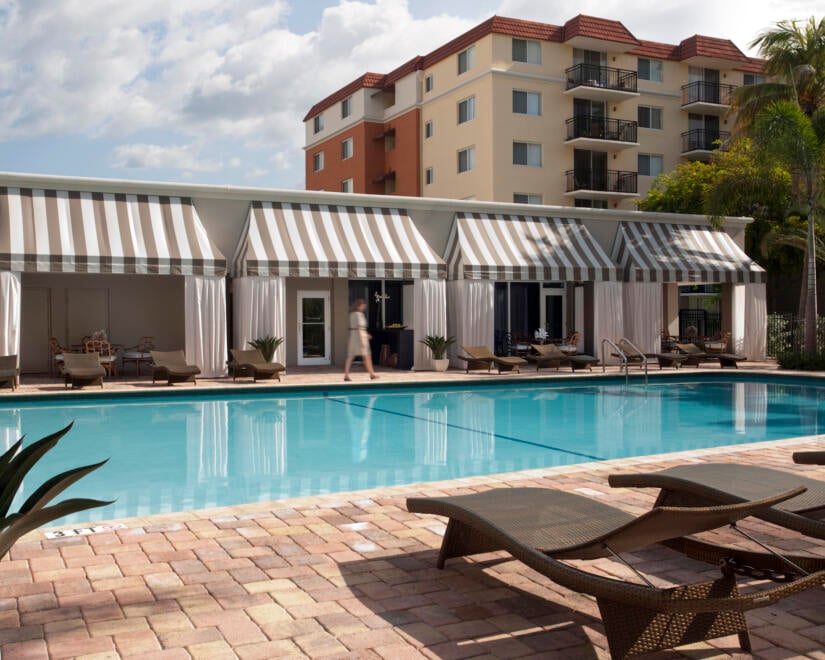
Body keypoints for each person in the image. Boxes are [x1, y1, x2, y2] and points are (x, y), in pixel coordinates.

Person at [344, 299, 378, 381]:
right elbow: (359, 327)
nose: (364, 306)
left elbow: (356, 327)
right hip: (359, 337)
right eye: (363, 305)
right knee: (367, 356)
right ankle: (372, 374)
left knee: (351, 356)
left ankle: (346, 375)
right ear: (359, 306)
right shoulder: (359, 315)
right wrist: (362, 340)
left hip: (354, 336)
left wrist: (366, 334)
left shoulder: (352, 314)